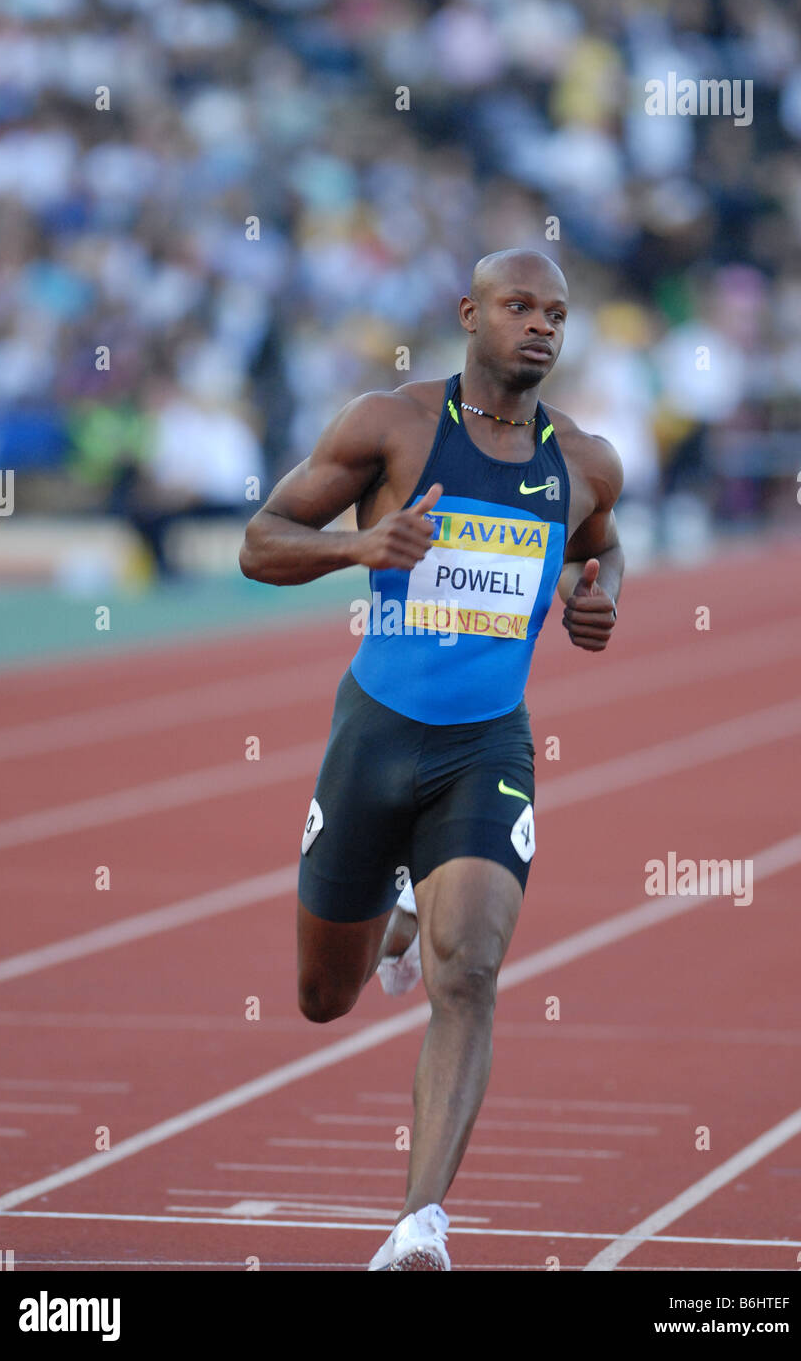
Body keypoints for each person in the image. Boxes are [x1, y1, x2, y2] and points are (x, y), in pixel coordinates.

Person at [239, 249, 624, 1270]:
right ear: (469, 314)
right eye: (518, 306)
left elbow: (605, 542)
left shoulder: (585, 459)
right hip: (373, 734)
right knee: (326, 995)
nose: (540, 325)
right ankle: (394, 909)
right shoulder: (392, 424)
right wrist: (358, 549)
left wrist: (601, 594)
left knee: (474, 973)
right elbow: (262, 541)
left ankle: (419, 1225)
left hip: (486, 748)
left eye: (556, 312)